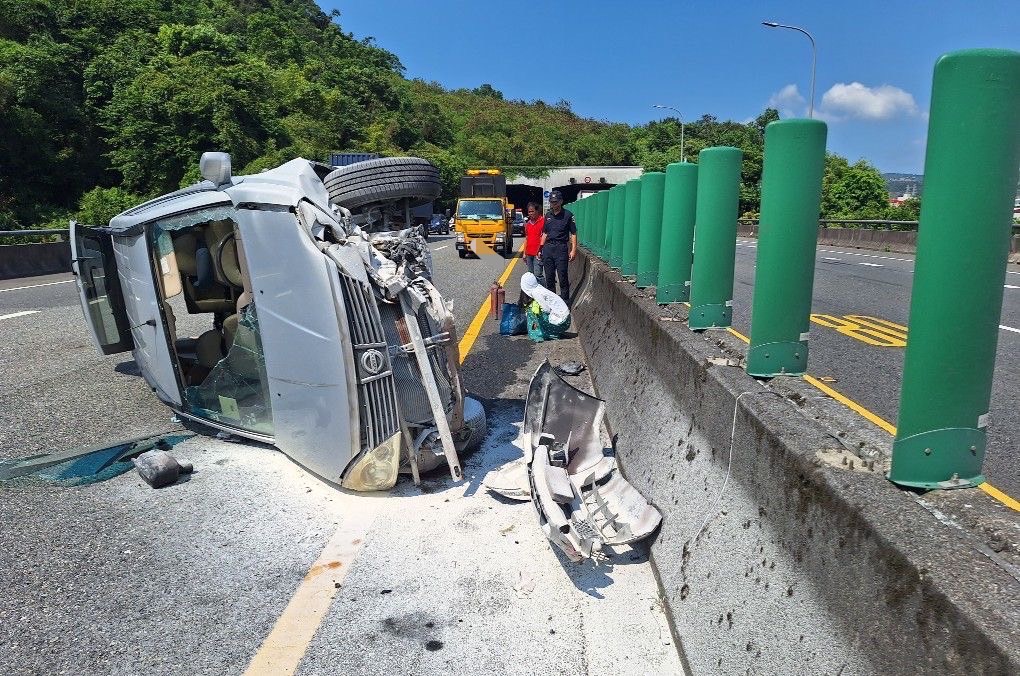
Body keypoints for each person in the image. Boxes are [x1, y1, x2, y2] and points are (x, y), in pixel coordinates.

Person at [540, 190, 577, 303]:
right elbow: (545, 233)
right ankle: (552, 303)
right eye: (551, 202)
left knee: (562, 276)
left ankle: (565, 302)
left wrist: (573, 250)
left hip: (561, 249)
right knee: (549, 278)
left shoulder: (568, 215)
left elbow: (574, 233)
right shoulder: (548, 215)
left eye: (555, 202)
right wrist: (540, 249)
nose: (553, 204)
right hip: (548, 249)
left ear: (561, 201)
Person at [523, 201, 544, 277]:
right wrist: (524, 253)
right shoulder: (528, 224)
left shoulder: (543, 222)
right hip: (529, 254)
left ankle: (542, 288)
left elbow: (544, 238)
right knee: (530, 276)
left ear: (537, 211)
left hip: (538, 254)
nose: (530, 213)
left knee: (538, 275)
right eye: (529, 212)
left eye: (532, 211)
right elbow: (527, 238)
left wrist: (541, 251)